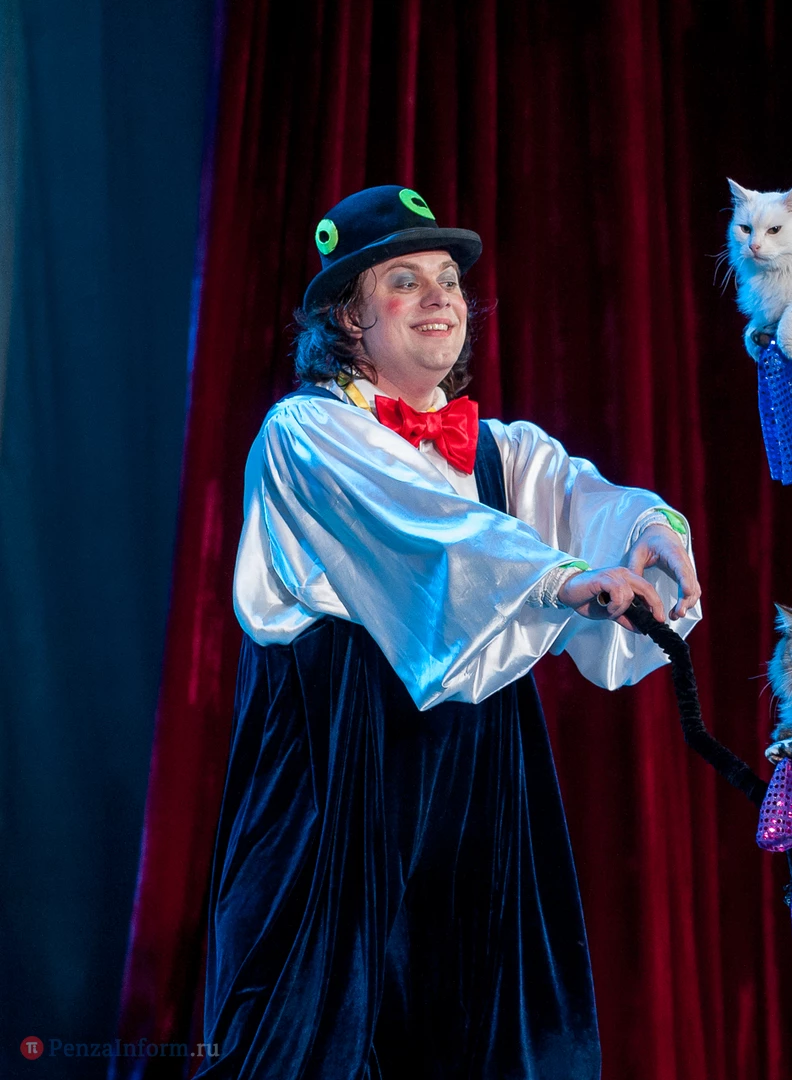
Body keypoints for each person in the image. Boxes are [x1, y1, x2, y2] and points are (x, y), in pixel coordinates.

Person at [198, 185, 701, 1079]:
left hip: (476, 775)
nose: (440, 297)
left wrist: (652, 528)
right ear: (348, 319)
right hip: (338, 770)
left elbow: (585, 495)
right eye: (404, 281)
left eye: (449, 280)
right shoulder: (305, 432)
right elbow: (429, 531)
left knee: (479, 1027)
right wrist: (563, 579)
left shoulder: (502, 450)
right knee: (314, 1029)